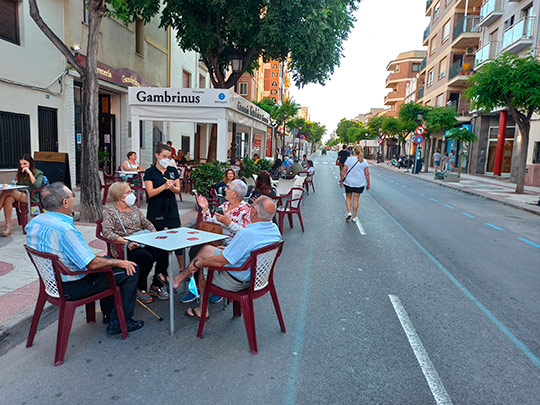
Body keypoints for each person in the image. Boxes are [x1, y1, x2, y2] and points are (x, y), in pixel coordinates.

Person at [25, 182, 144, 335]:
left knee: (108, 260)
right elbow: (91, 264)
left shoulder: (34, 222)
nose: (74, 199)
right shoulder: (65, 230)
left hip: (53, 283)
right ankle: (120, 322)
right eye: (72, 196)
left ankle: (110, 315)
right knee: (131, 269)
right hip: (73, 286)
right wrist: (121, 261)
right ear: (65, 202)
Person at [164, 196, 281, 319]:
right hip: (258, 278)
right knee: (206, 249)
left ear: (253, 212)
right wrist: (230, 250)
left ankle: (202, 310)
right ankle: (178, 279)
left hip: (238, 281)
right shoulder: (274, 231)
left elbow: (220, 262)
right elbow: (251, 250)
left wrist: (199, 264)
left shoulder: (247, 234)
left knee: (205, 267)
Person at [102, 182, 170, 303]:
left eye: (131, 191)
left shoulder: (134, 209)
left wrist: (154, 233)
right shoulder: (110, 212)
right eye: (128, 192)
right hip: (124, 246)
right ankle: (140, 287)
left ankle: (156, 285)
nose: (132, 194)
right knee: (145, 258)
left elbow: (147, 223)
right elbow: (107, 232)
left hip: (142, 241)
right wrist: (126, 242)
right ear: (119, 195)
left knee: (164, 251)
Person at [1, 154, 44, 237]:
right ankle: (8, 227)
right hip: (19, 194)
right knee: (8, 199)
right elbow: (14, 184)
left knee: (6, 192)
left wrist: (29, 173)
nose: (22, 166)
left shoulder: (38, 173)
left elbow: (37, 185)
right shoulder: (20, 173)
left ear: (30, 163)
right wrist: (12, 183)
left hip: (30, 196)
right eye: (21, 164)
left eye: (25, 164)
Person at [144, 144, 182, 231]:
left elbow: (178, 189)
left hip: (171, 205)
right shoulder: (150, 172)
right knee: (156, 234)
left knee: (174, 232)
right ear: (157, 155)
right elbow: (150, 193)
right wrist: (165, 185)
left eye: (169, 158)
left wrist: (172, 187)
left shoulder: (173, 170)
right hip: (156, 206)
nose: (166, 160)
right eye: (164, 156)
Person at [339, 145, 370, 222]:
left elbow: (344, 170)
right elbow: (367, 174)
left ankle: (349, 212)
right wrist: (368, 183)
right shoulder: (364, 161)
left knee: (348, 198)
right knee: (356, 199)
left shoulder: (349, 159)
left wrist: (341, 180)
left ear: (354, 151)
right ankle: (354, 216)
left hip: (349, 182)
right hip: (359, 184)